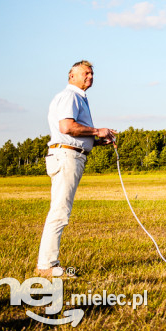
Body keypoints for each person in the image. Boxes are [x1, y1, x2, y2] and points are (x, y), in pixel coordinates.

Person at [35, 60, 116, 278]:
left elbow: (73, 132)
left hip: (70, 154)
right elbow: (67, 127)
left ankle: (48, 264)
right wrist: (97, 131)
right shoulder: (70, 96)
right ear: (72, 76)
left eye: (91, 74)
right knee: (60, 212)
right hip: (67, 156)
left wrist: (96, 140)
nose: (90, 77)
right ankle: (46, 266)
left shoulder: (79, 97)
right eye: (85, 74)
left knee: (60, 210)